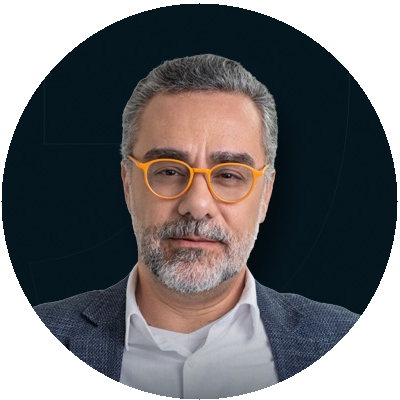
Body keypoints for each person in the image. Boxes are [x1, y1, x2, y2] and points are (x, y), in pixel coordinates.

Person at [35, 54, 359, 398]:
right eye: (169, 171)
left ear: (265, 195)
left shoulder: (350, 347)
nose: (197, 205)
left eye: (229, 175)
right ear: (128, 185)